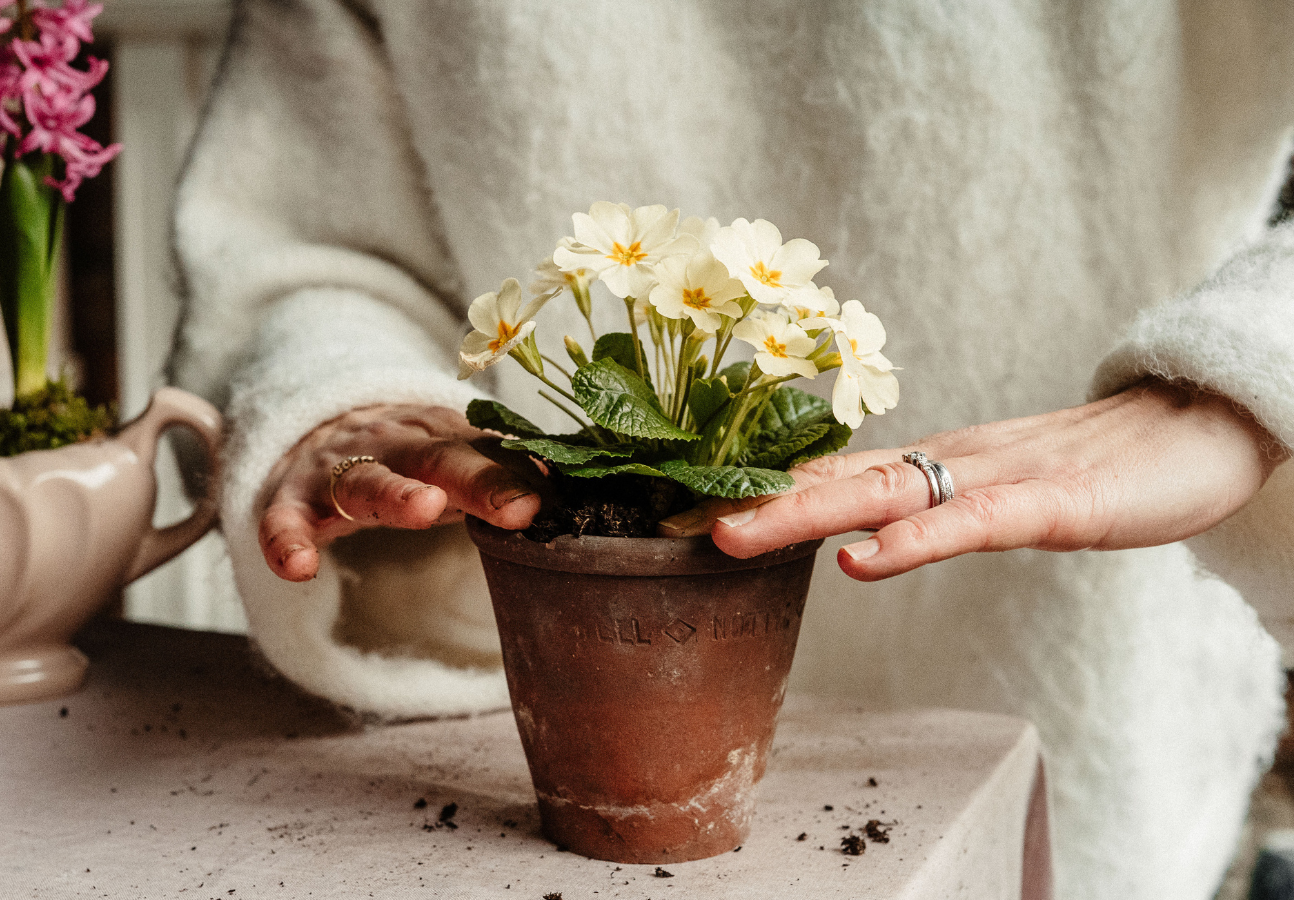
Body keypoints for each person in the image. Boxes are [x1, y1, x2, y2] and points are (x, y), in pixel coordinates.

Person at [168, 2, 1294, 897]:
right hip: (492, 777)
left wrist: (1249, 375)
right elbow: (312, 241)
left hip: (1094, 716)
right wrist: (343, 393)